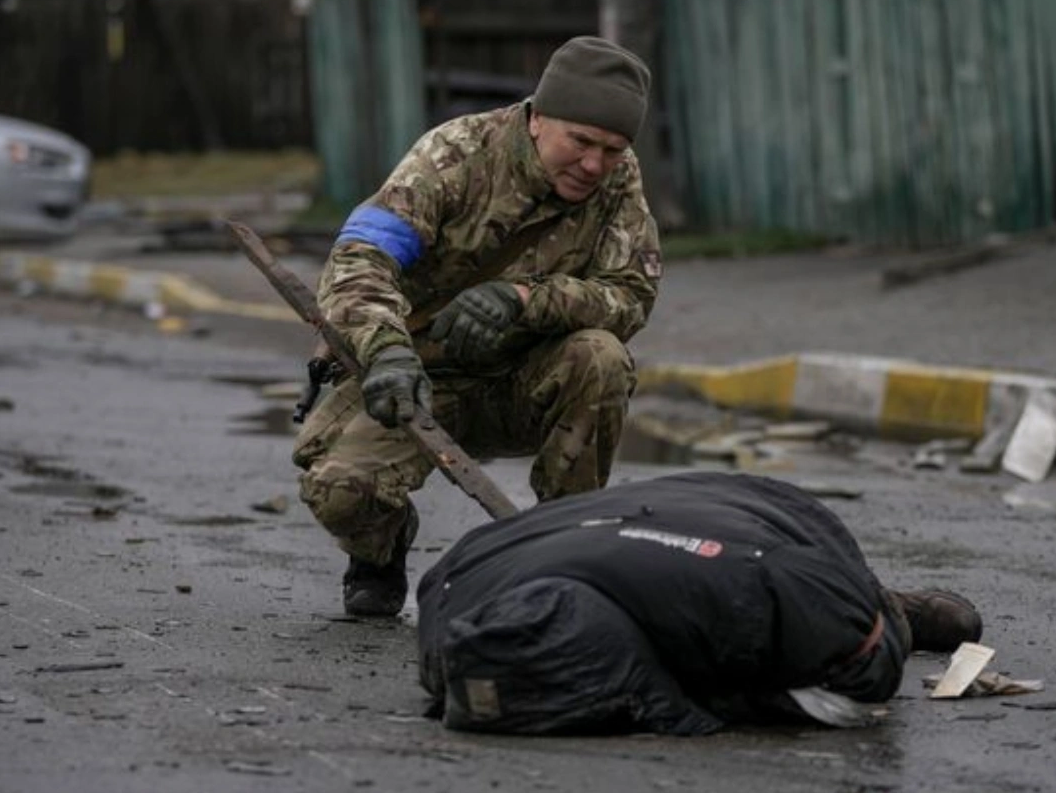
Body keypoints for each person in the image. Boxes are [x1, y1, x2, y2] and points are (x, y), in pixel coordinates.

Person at [292, 36, 661, 616]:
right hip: (418, 382)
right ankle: (380, 547)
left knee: (601, 356)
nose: (595, 164)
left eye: (612, 149)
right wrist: (386, 349)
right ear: (538, 119)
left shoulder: (617, 182)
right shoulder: (453, 155)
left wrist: (525, 300)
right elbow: (359, 258)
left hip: (524, 381)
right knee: (341, 491)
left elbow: (631, 297)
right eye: (582, 142)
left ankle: (564, 552)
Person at [417, 472, 983, 735]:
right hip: (673, 517)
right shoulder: (461, 602)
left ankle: (894, 604)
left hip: (750, 526)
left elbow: (861, 663)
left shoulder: (758, 592)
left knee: (852, 636)